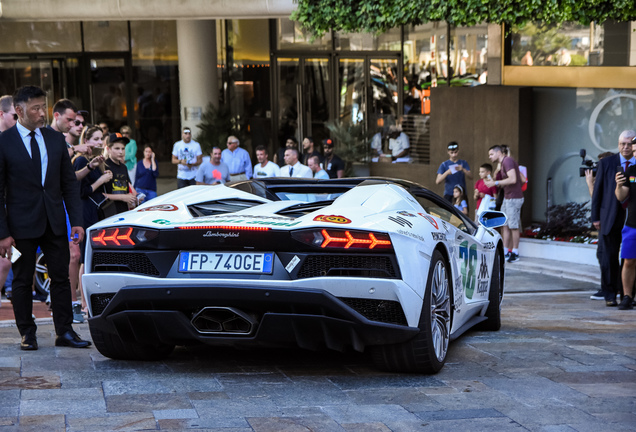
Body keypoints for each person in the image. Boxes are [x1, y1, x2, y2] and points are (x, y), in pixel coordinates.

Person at [0, 85, 90, 350]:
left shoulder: (54, 139)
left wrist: (76, 221)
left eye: (43, 107)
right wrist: (3, 233)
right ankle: (27, 332)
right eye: (35, 108)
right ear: (19, 110)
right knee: (21, 279)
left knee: (61, 277)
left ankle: (65, 331)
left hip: (54, 222)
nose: (42, 113)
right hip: (19, 226)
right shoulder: (4, 142)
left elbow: (68, 185)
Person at [591, 130, 636, 306]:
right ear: (618, 144)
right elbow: (598, 191)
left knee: (630, 259)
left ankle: (628, 294)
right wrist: (595, 217)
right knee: (608, 257)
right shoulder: (607, 163)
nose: (625, 147)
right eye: (621, 144)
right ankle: (610, 294)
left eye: (628, 144)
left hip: (632, 218)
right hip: (610, 217)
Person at [72, 125, 110, 315]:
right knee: (83, 259)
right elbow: (81, 191)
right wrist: (101, 181)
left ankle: (89, 301)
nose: (99, 142)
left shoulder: (98, 161)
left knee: (90, 257)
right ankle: (84, 303)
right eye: (95, 139)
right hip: (84, 212)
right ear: (86, 141)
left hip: (95, 212)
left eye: (101, 138)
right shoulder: (80, 161)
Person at [484, 144, 524, 263]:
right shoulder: (503, 163)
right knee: (505, 224)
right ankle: (505, 251)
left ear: (498, 153)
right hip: (508, 197)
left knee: (513, 225)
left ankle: (515, 252)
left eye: (491, 154)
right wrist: (495, 182)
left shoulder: (508, 161)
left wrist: (495, 183)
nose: (490, 157)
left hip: (514, 198)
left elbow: (513, 179)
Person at [615, 159, 636, 310]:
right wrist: (619, 185)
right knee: (628, 261)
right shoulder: (632, 170)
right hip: (632, 224)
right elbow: (621, 196)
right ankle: (627, 296)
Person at [104, 133, 138, 213]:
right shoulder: (104, 166)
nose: (121, 152)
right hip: (109, 212)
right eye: (117, 148)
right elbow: (100, 195)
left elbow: (127, 190)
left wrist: (133, 198)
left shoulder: (124, 167)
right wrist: (123, 197)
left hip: (123, 210)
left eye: (123, 148)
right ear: (108, 149)